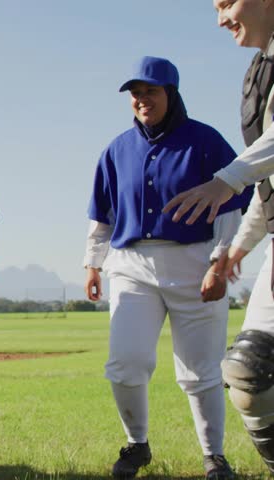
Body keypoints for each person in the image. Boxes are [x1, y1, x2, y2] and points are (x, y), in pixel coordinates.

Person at [85, 56, 251, 480]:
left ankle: (214, 456)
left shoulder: (206, 141)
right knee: (124, 363)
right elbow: (102, 215)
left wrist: (221, 260)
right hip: (131, 264)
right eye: (136, 94)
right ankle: (137, 446)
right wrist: (92, 263)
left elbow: (232, 206)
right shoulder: (117, 149)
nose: (142, 100)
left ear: (171, 95)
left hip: (195, 261)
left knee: (201, 370)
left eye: (151, 92)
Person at [164, 1, 274, 474]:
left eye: (227, 2)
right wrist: (237, 246)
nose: (220, 18)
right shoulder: (261, 69)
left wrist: (226, 178)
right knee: (249, 371)